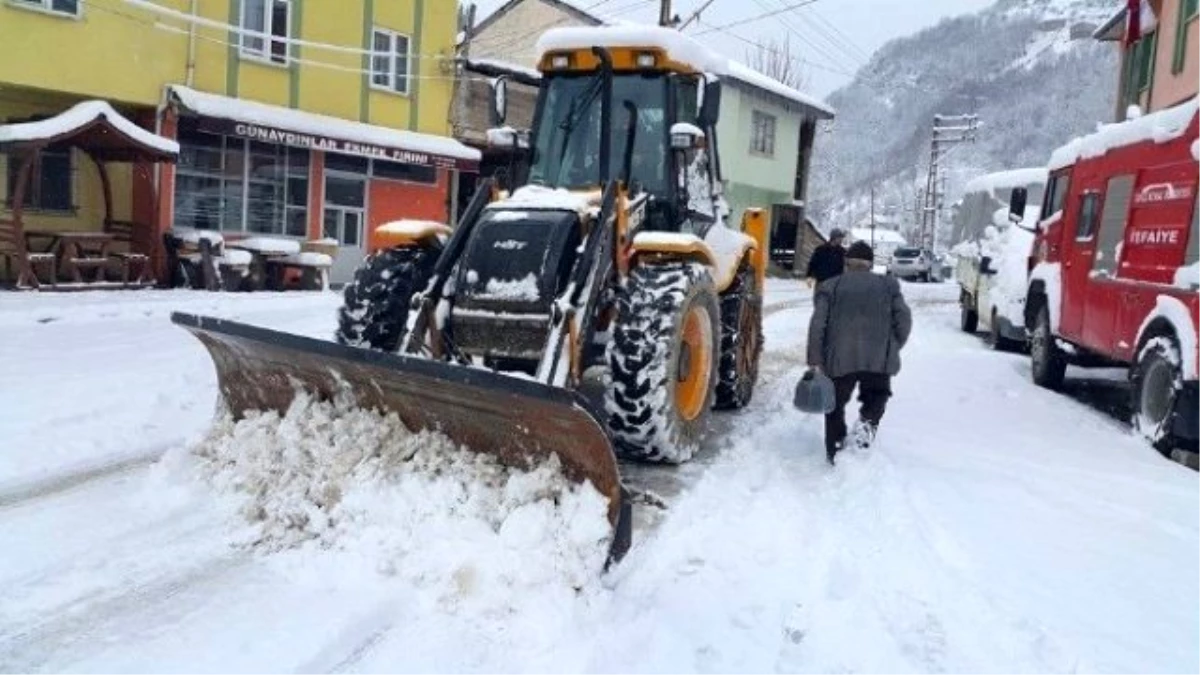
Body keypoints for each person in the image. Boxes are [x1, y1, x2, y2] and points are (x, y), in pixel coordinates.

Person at [806, 241, 912, 465]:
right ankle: (867, 425)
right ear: (870, 265)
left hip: (839, 358)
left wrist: (816, 359)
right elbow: (903, 320)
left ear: (847, 263)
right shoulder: (888, 286)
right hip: (877, 358)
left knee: (834, 404)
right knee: (877, 396)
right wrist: (892, 346)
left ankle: (834, 451)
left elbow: (818, 325)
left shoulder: (830, 286)